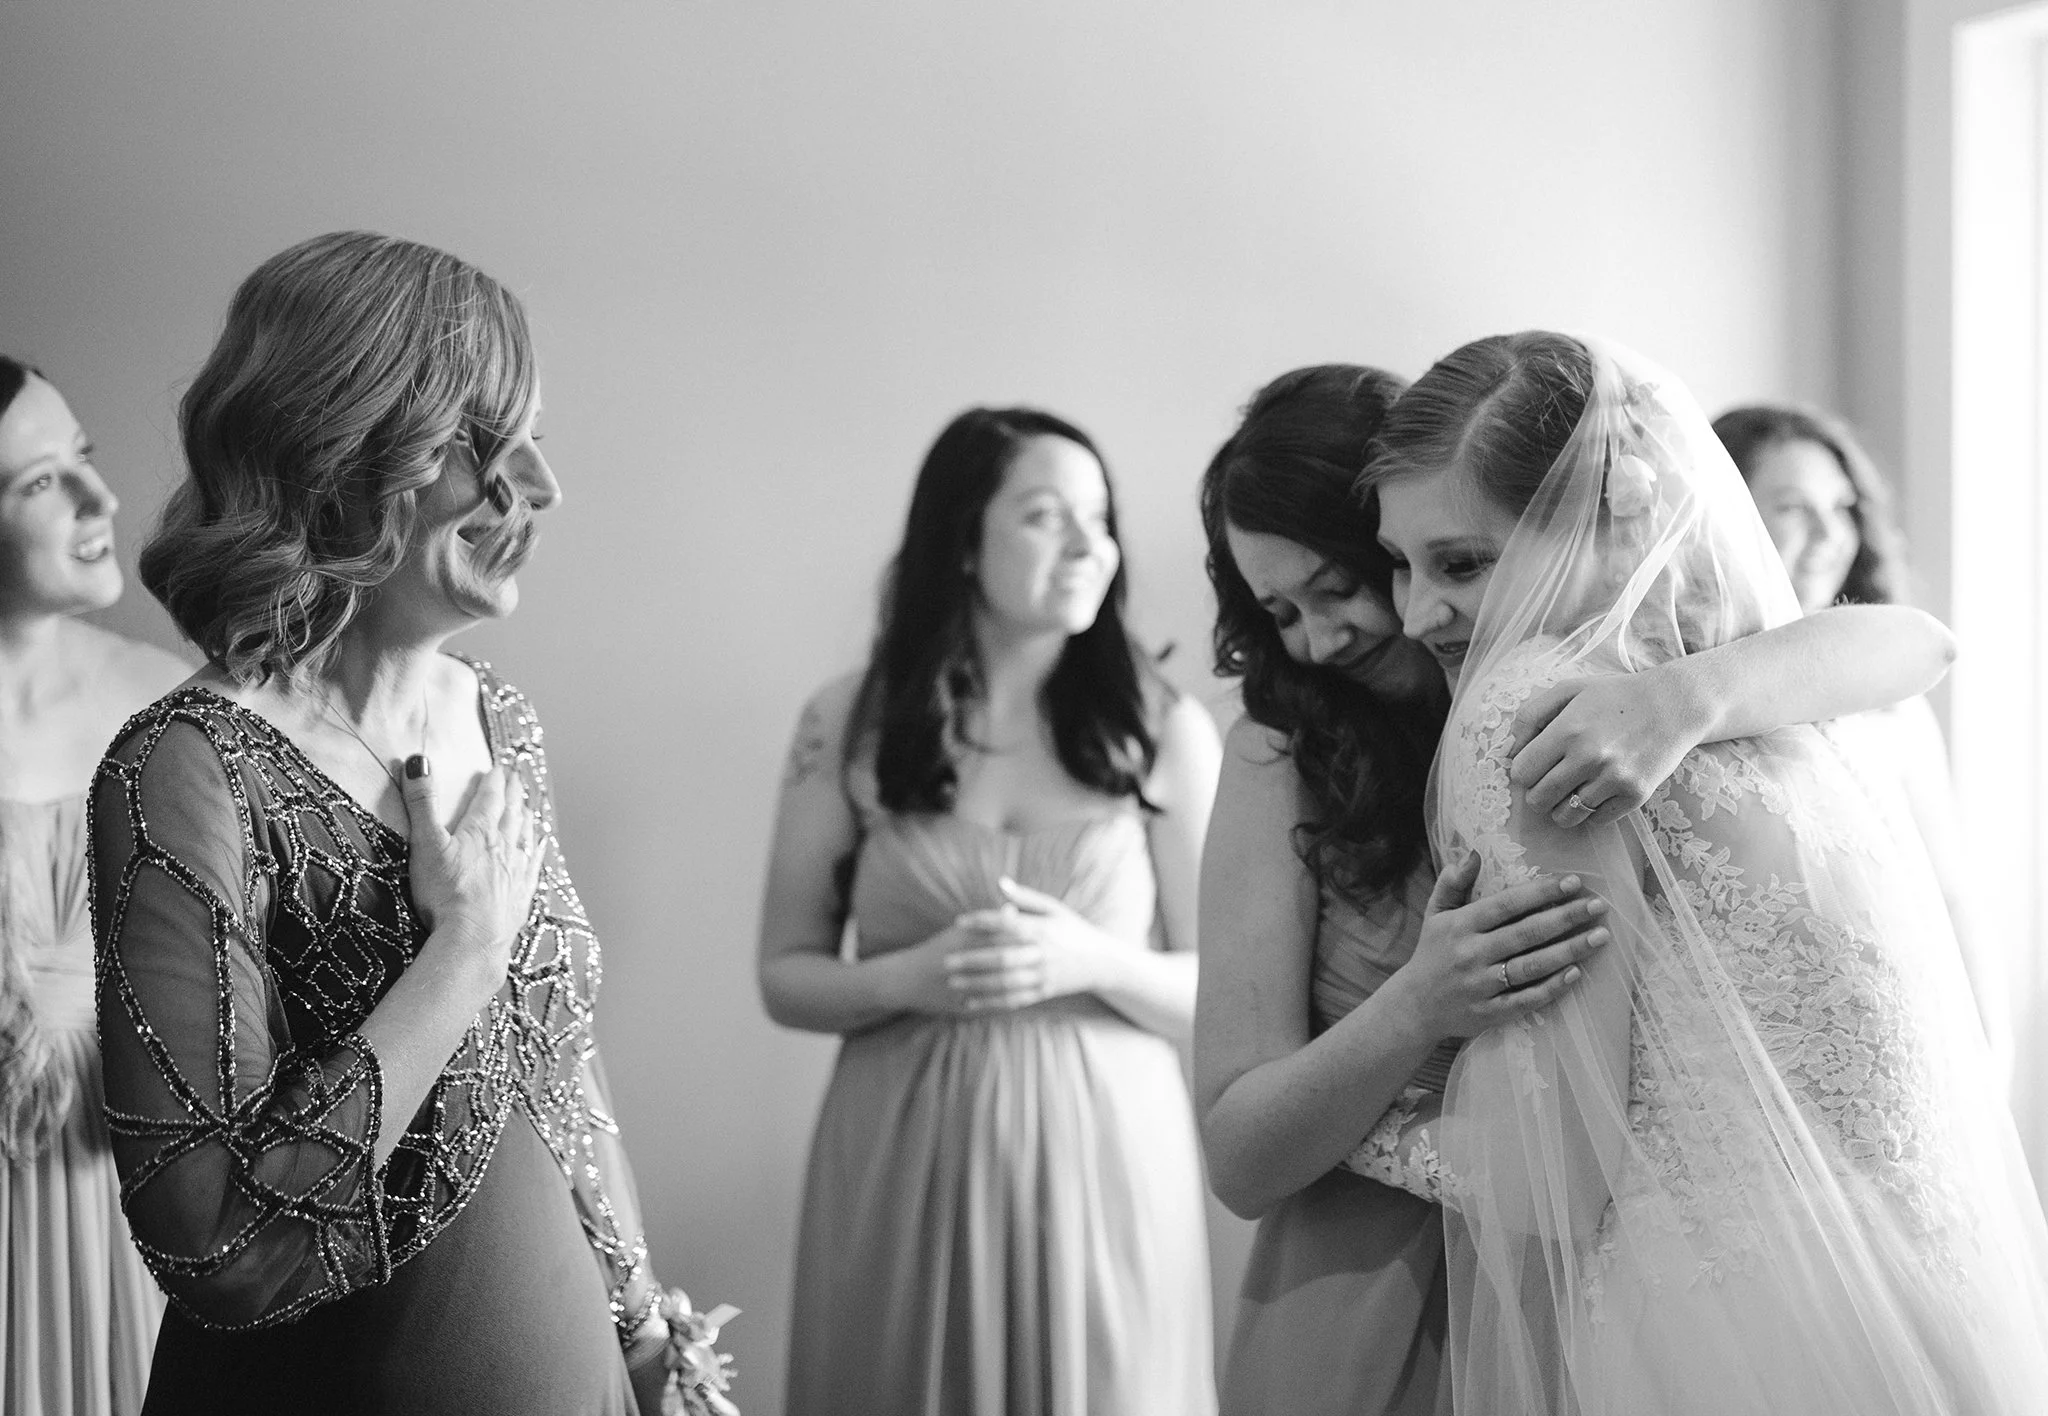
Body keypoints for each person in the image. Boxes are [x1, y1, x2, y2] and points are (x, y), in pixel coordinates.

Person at [1193, 365, 1973, 1416]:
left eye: (1339, 586)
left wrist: (1684, 699)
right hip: (1378, 1286)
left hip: (1623, 1287)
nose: (1317, 639)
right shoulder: (1279, 751)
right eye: (1275, 609)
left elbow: (1914, 642)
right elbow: (1239, 1157)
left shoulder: (1605, 694)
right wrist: (1416, 1003)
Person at [90, 232, 682, 1415]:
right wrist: (459, 952)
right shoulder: (184, 770)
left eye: (539, 442)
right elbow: (218, 1248)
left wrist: (647, 1325)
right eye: (485, 443)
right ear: (340, 443)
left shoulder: (499, 717)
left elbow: (558, 1069)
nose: (540, 488)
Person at [760, 407, 1222, 1415]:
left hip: (1106, 1167)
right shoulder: (847, 721)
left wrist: (1093, 962)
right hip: (897, 1159)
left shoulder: (1164, 731)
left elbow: (1223, 994)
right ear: (962, 539)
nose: (1085, 544)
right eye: (1043, 516)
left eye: (1097, 518)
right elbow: (784, 973)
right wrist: (903, 980)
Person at [0, 357, 183, 1415]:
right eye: (39, 482)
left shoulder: (162, 707)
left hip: (123, 1215)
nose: (101, 502)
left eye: (86, 462)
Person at [1714, 403, 2000, 1059]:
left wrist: (1987, 1060)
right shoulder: (1687, 690)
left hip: (1909, 1053)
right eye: (1792, 507)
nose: (1829, 534)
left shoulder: (1893, 702)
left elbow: (1951, 895)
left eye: (1842, 507)